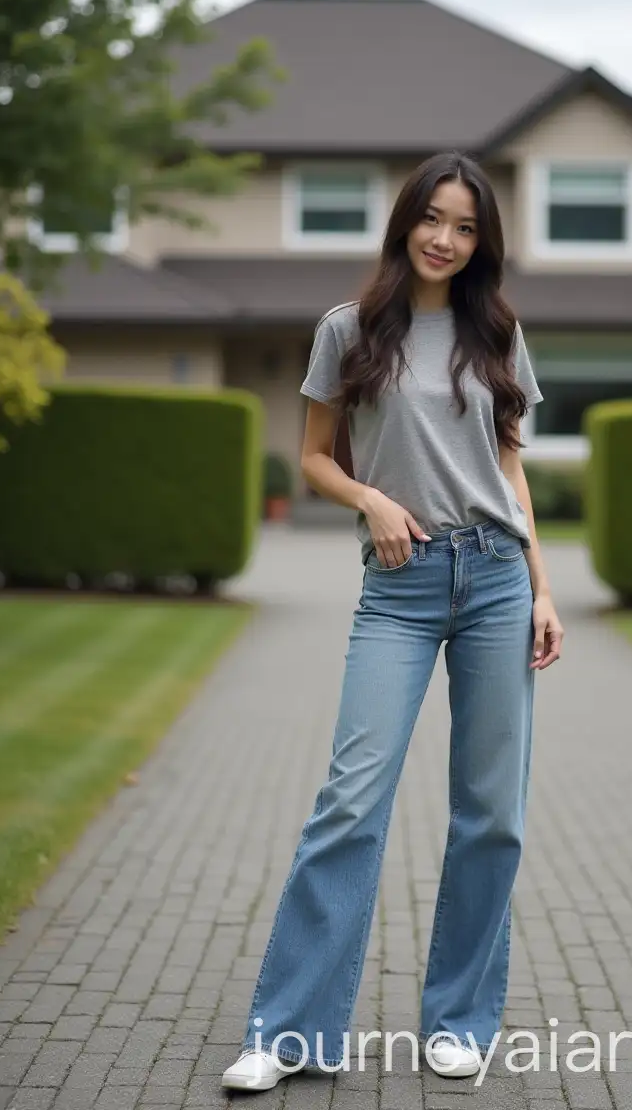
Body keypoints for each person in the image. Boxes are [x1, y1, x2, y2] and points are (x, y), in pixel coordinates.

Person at [222, 150, 564, 1093]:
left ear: (481, 241)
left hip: (497, 578)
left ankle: (458, 1021)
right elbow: (314, 459)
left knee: (491, 812)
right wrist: (370, 501)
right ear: (405, 220)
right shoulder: (350, 329)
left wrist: (541, 585)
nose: (447, 240)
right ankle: (290, 1031)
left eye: (466, 227)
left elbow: (511, 466)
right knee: (351, 801)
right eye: (434, 219)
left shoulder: (496, 331)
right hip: (401, 588)